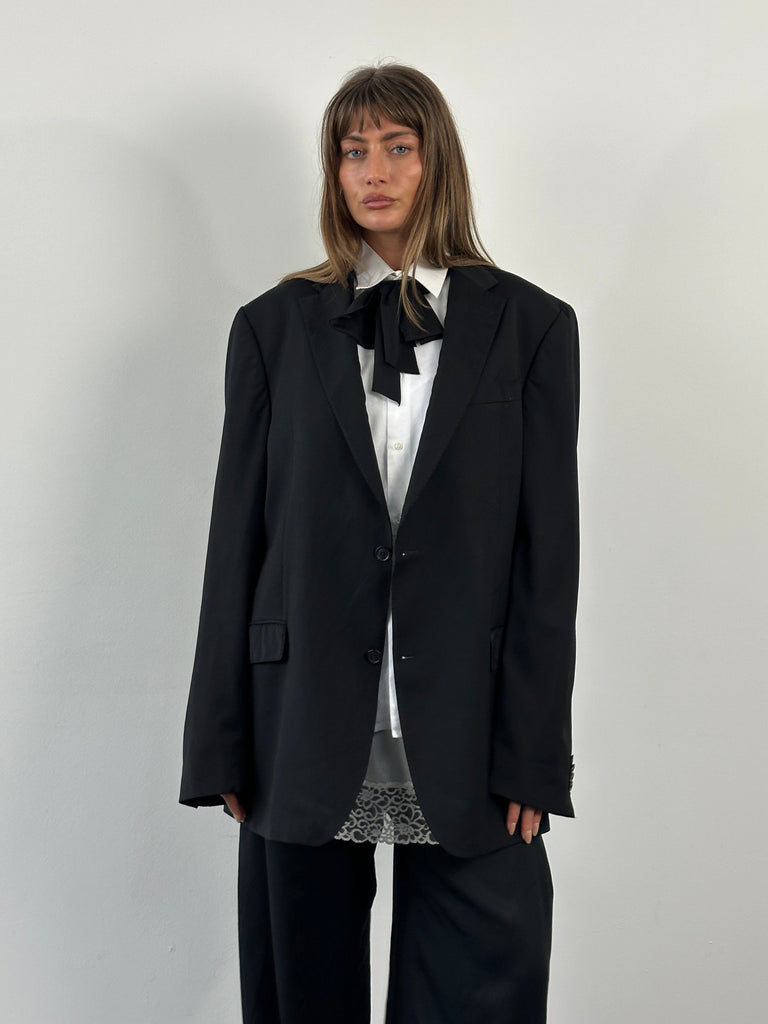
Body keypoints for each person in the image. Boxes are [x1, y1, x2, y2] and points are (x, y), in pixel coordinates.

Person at [179, 61, 580, 1024]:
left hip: (472, 726)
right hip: (299, 720)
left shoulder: (531, 326)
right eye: (353, 151)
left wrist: (536, 755)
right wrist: (219, 743)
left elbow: (547, 558)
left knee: (478, 989)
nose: (375, 171)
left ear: (438, 160)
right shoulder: (271, 329)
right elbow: (236, 543)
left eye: (399, 147)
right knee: (301, 995)